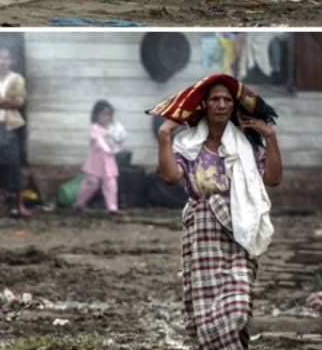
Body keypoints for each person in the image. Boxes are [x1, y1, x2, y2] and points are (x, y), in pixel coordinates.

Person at [151, 74, 284, 350]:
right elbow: (170, 177)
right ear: (205, 105)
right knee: (206, 312)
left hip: (238, 231)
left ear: (233, 106)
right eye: (215, 99)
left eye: (226, 100)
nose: (221, 104)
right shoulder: (188, 144)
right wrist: (164, 135)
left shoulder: (246, 146)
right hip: (201, 235)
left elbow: (272, 179)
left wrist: (270, 137)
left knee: (237, 309)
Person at [0, 47, 30, 217]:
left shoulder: (17, 79)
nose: (3, 62)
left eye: (6, 58)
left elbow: (18, 102)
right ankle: (0, 201)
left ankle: (19, 204)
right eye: (0, 58)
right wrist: (6, 101)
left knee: (14, 164)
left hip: (11, 126)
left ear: (11, 61)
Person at [75, 100, 121, 214]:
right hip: (95, 162)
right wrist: (106, 149)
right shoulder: (94, 128)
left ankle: (112, 208)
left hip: (108, 162)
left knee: (111, 184)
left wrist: (117, 146)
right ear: (96, 115)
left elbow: (117, 141)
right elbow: (98, 140)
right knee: (91, 183)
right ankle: (79, 204)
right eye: (103, 114)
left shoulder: (112, 129)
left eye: (108, 114)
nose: (106, 117)